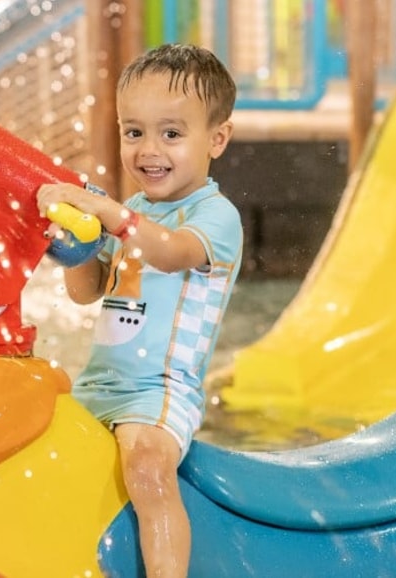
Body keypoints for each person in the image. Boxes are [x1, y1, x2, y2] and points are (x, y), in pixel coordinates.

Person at [36, 43, 242, 578]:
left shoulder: (214, 216)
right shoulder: (134, 212)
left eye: (171, 133)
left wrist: (108, 212)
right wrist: (71, 247)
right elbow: (86, 292)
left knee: (148, 468)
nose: (149, 149)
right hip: (99, 386)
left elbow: (171, 253)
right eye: (135, 132)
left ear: (216, 139)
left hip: (161, 391)